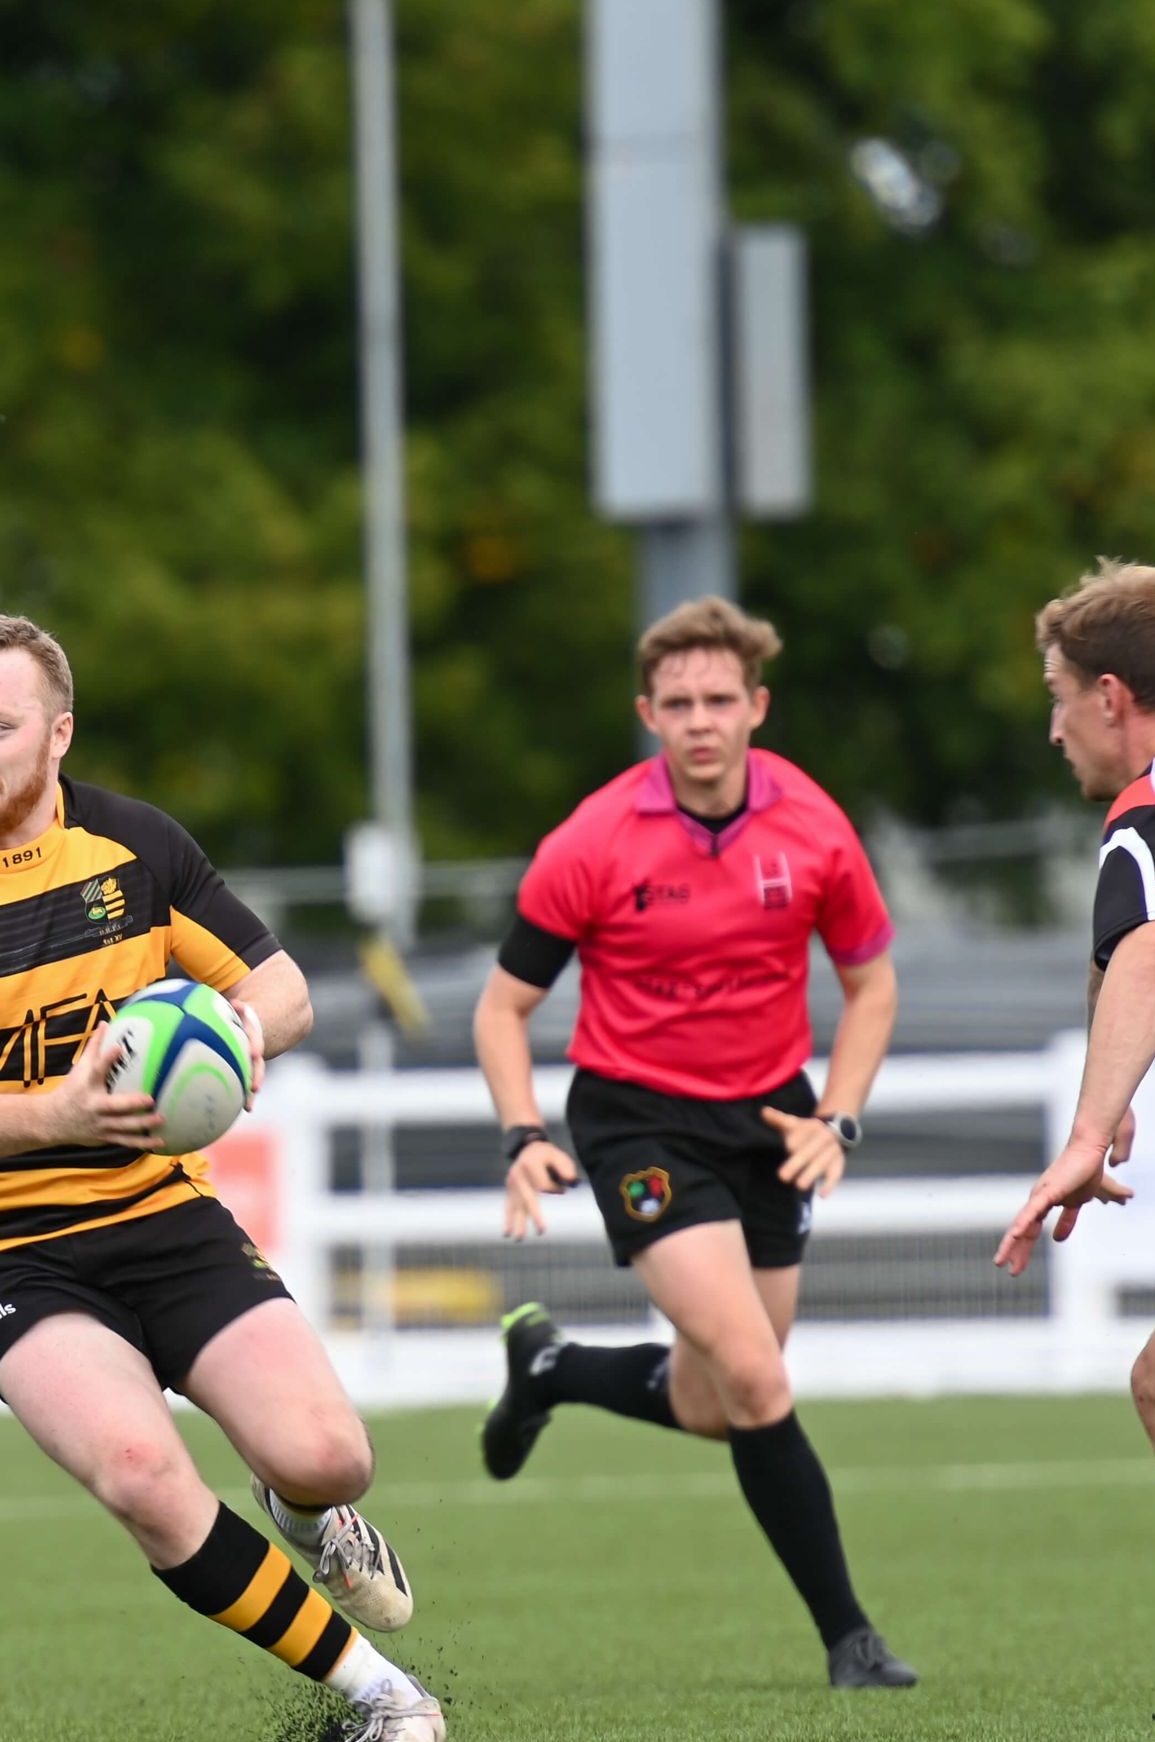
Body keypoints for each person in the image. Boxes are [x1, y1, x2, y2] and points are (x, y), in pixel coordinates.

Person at [0, 616, 444, 1742]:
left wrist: (233, 1031)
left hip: (161, 1214)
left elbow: (283, 984)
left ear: (57, 734)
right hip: (15, 1253)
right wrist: (54, 1112)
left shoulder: (134, 847)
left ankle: (312, 1512)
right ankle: (380, 1694)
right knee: (144, 1467)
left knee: (329, 1452)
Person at [472, 595, 916, 1690]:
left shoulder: (813, 826)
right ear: (648, 714)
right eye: (678, 703)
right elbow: (500, 1007)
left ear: (757, 706)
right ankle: (851, 1637)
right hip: (637, 1121)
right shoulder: (594, 838)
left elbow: (871, 986)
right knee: (761, 1383)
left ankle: (554, 1365)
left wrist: (838, 1114)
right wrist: (523, 1131)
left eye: (721, 699)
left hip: (770, 1119)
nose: (701, 719)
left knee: (723, 1401)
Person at [996, 563, 1155, 1396]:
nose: (1055, 730)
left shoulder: (1147, 814)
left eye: (1057, 698)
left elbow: (1145, 954)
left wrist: (1088, 1135)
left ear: (1108, 696)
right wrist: (1117, 1085)